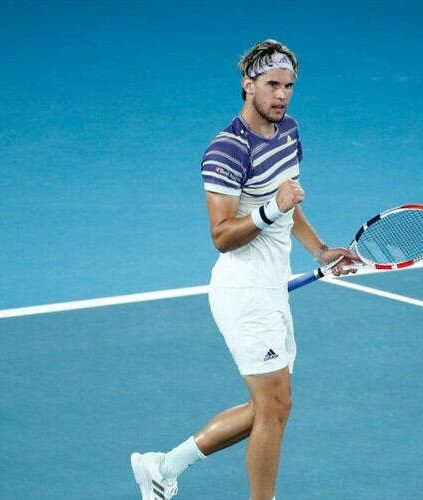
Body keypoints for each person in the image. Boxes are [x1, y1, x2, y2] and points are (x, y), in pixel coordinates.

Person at [130, 39, 356, 500]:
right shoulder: (226, 151)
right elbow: (222, 235)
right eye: (272, 84)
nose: (282, 95)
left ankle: (162, 468)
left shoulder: (289, 131)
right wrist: (273, 207)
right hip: (243, 291)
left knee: (273, 408)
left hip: (272, 289)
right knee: (272, 410)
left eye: (289, 85)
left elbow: (290, 207)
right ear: (247, 85)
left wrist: (319, 249)